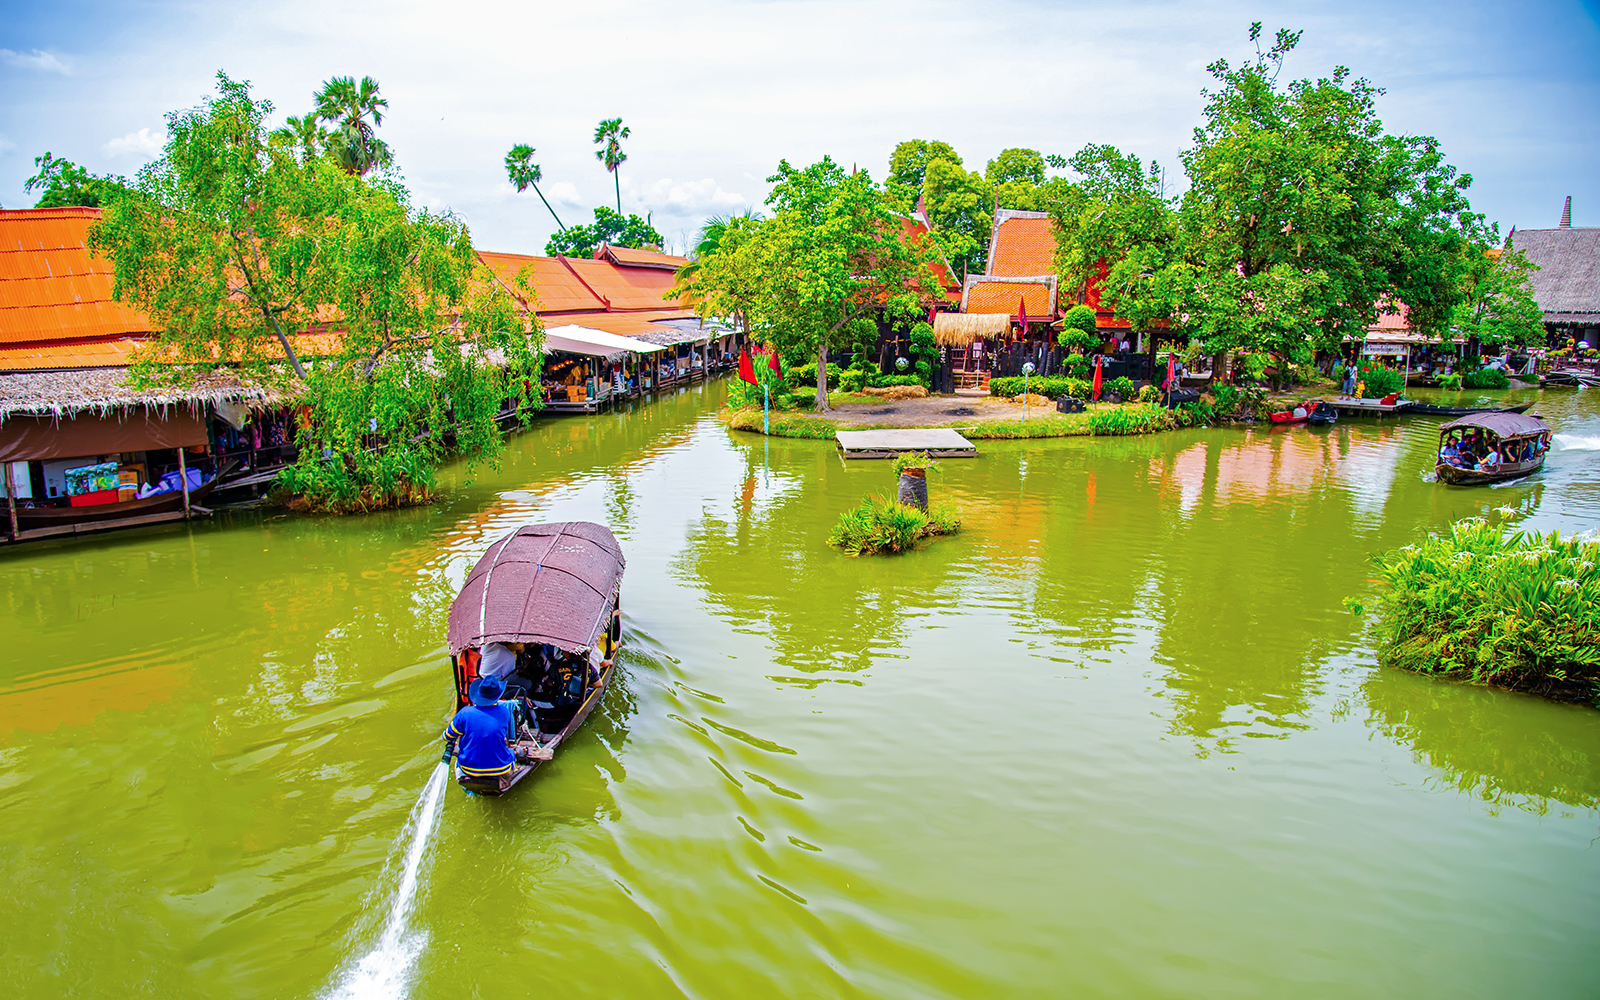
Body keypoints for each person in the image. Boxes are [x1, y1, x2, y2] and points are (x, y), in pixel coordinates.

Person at [441, 677, 547, 784]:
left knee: (459, 753)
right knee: (512, 751)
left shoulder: (464, 713)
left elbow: (447, 736)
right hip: (500, 768)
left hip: (468, 769)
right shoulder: (504, 712)